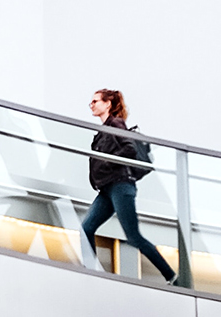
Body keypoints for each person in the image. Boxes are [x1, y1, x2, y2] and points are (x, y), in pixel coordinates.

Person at [80, 88, 177, 284]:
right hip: (107, 189)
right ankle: (91, 271)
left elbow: (129, 149)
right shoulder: (102, 130)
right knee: (86, 228)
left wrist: (107, 163)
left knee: (132, 236)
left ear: (107, 104)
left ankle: (171, 275)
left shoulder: (115, 123)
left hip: (120, 186)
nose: (91, 104)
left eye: (95, 101)